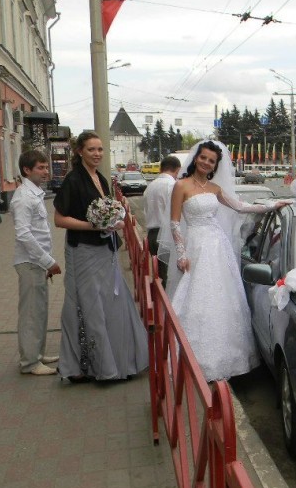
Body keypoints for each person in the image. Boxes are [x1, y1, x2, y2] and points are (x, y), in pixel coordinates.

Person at [160, 140, 288, 382]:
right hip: (196, 245)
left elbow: (240, 207)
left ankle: (228, 358)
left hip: (219, 247)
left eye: (211, 160)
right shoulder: (181, 186)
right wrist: (182, 254)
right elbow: (175, 222)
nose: (206, 162)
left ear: (215, 165)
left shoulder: (215, 188)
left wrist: (272, 205)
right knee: (198, 296)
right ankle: (195, 358)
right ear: (196, 158)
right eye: (203, 157)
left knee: (224, 297)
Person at [53, 132, 148, 382]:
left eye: (100, 149)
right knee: (89, 307)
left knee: (112, 304)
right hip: (82, 251)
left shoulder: (102, 178)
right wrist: (93, 226)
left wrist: (113, 221)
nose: (97, 154)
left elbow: (107, 212)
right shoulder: (73, 180)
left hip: (105, 251)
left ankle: (120, 361)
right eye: (91, 149)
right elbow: (59, 219)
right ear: (79, 152)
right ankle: (88, 367)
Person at [10, 150, 62, 376]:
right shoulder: (23, 197)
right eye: (40, 168)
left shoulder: (35, 193)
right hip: (31, 263)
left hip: (37, 263)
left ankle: (37, 354)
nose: (45, 171)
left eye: (45, 167)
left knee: (39, 311)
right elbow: (23, 234)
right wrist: (47, 261)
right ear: (26, 170)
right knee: (31, 312)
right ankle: (30, 363)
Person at [143, 155, 181, 287]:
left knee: (160, 274)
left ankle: (161, 304)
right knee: (170, 277)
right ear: (177, 170)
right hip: (167, 236)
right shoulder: (173, 186)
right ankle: (167, 306)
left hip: (152, 234)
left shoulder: (150, 186)